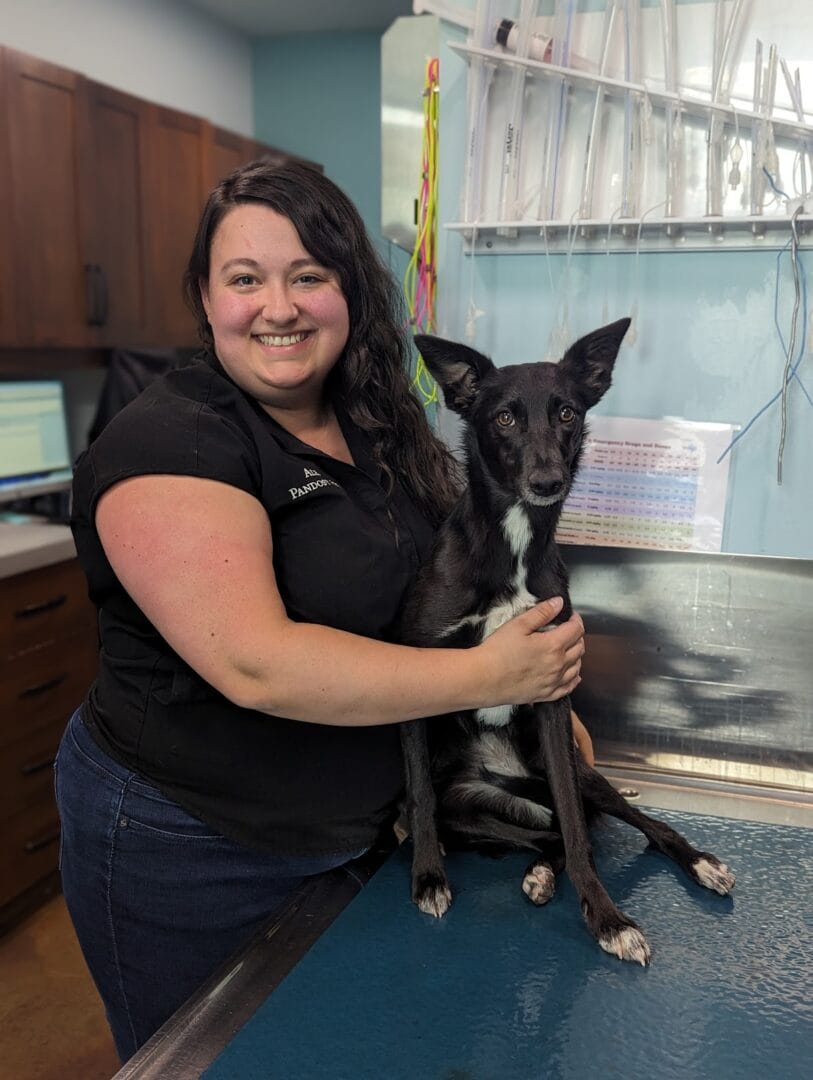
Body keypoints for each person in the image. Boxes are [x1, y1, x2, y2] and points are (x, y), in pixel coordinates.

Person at [55, 159, 586, 1062]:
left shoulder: (375, 421)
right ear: (204, 296)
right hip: (197, 848)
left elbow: (464, 578)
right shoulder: (169, 442)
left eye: (308, 274)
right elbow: (256, 663)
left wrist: (550, 714)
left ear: (348, 288)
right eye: (244, 279)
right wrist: (493, 675)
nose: (280, 305)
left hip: (365, 834)